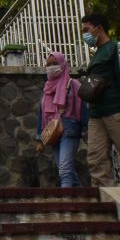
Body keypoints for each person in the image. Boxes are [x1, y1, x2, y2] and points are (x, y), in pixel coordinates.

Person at [81, 12, 120, 186]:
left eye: (86, 29)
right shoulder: (97, 53)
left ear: (98, 28)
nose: (84, 34)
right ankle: (106, 196)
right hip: (96, 113)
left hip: (113, 110)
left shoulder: (115, 48)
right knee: (95, 157)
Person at [37, 51, 84, 187]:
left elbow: (83, 108)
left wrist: (86, 129)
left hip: (70, 131)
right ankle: (81, 197)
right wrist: (40, 139)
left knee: (64, 169)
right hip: (53, 133)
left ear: (63, 65)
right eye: (48, 64)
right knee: (66, 170)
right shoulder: (47, 89)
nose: (51, 67)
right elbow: (42, 114)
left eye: (55, 64)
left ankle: (66, 200)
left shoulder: (73, 84)